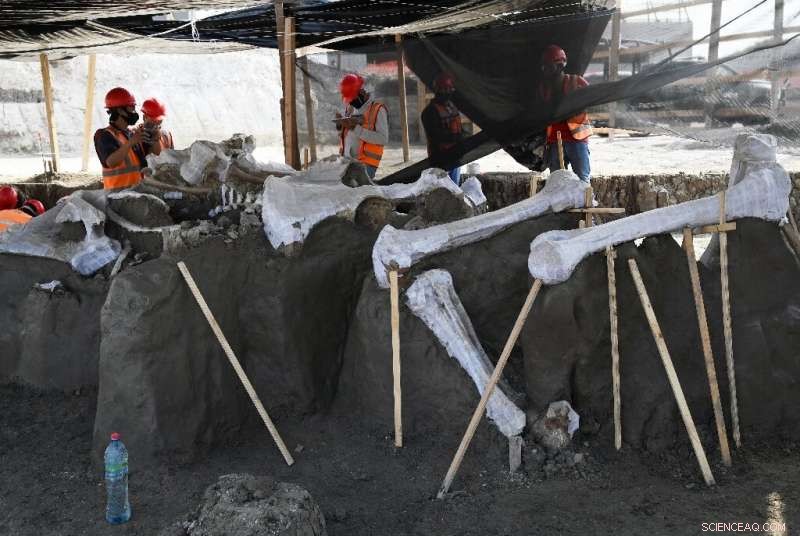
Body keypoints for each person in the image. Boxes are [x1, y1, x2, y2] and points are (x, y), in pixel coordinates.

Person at [538, 45, 593, 182]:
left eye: (549, 67)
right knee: (557, 182)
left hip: (577, 139)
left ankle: (583, 203)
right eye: (545, 67)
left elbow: (592, 100)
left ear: (560, 66)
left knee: (582, 180)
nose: (547, 71)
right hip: (555, 141)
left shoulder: (577, 81)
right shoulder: (544, 87)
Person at [93, 87, 161, 190]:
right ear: (120, 110)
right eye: (131, 108)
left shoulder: (133, 134)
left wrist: (155, 139)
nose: (134, 112)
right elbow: (111, 162)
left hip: (137, 193)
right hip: (116, 197)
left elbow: (155, 154)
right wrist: (131, 143)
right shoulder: (104, 135)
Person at [336, 74, 389, 179]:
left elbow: (383, 139)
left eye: (352, 98)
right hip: (346, 162)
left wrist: (355, 128)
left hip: (365, 164)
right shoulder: (350, 108)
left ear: (361, 92)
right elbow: (348, 134)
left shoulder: (378, 109)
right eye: (349, 99)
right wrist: (340, 125)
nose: (351, 102)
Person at [421, 73, 466, 185]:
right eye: (445, 90)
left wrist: (463, 135)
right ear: (438, 91)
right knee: (444, 192)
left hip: (455, 159)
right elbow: (435, 136)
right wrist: (456, 137)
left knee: (455, 191)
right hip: (441, 161)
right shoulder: (430, 112)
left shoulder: (451, 107)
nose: (448, 93)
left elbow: (458, 127)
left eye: (450, 90)